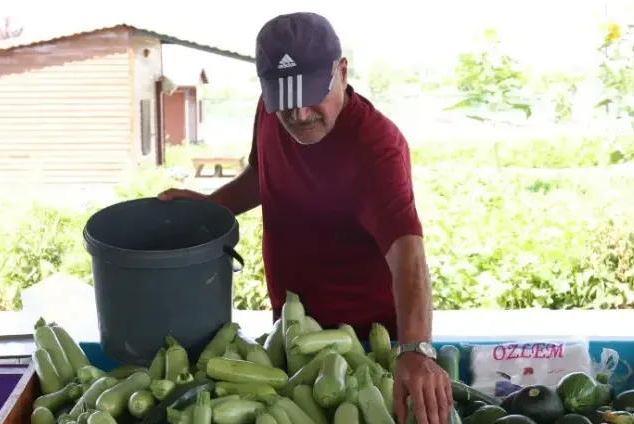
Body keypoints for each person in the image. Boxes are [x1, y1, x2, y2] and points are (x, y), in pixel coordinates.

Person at [158, 12, 452, 424]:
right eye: (284, 99)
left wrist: (416, 349)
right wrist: (212, 207)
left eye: (312, 93)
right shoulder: (268, 109)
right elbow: (262, 174)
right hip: (290, 327)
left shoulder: (376, 147)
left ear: (343, 72)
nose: (298, 113)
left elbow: (407, 251)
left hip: (362, 343)